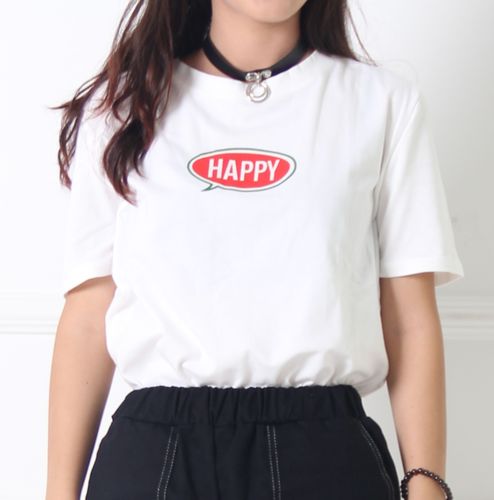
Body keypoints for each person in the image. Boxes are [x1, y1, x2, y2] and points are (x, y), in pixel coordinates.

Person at [46, 1, 464, 499]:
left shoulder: (381, 103)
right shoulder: (121, 110)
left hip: (325, 455)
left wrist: (427, 483)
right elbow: (89, 315)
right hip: (156, 458)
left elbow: (408, 318)